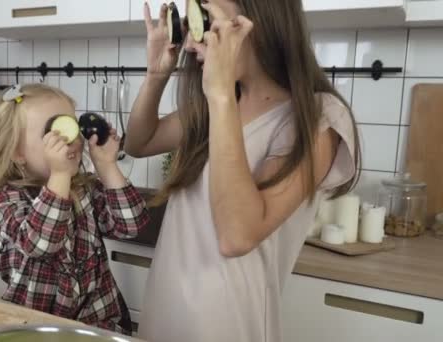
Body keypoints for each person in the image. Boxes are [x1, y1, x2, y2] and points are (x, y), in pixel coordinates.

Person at [124, 1, 361, 341]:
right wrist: (156, 76)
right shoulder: (214, 105)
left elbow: (237, 235)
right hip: (166, 313)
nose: (191, 45)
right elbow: (140, 142)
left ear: (260, 19)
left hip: (229, 326)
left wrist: (219, 95)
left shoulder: (318, 116)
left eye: (207, 24)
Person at [0, 84, 150, 335]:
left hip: (98, 323)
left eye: (71, 127)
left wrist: (107, 165)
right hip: (36, 328)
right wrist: (59, 174)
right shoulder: (11, 198)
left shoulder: (86, 189)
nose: (70, 139)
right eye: (54, 132)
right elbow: (40, 244)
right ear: (17, 152)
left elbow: (131, 224)